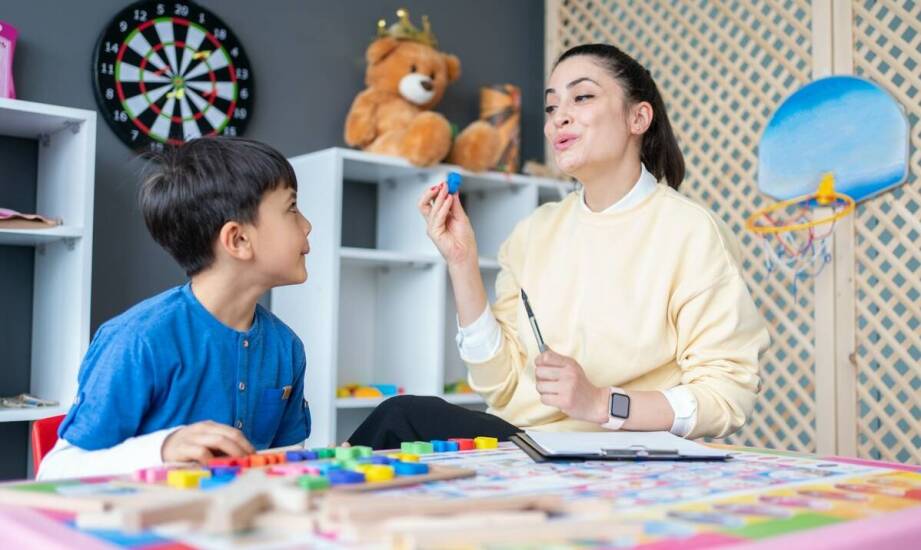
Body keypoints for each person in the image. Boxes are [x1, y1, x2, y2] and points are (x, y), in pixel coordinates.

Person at [348, 43, 769, 450]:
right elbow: (503, 385)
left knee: (400, 417)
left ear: (638, 117)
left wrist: (602, 403)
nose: (558, 119)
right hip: (531, 445)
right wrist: (462, 263)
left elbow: (726, 395)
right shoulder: (534, 232)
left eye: (582, 97)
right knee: (401, 424)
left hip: (625, 455)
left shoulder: (690, 231)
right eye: (551, 107)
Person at [38, 137, 313, 479]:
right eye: (291, 208)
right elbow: (54, 471)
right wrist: (164, 448)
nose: (306, 225)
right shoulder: (138, 340)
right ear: (238, 240)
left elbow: (286, 459)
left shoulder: (287, 348)